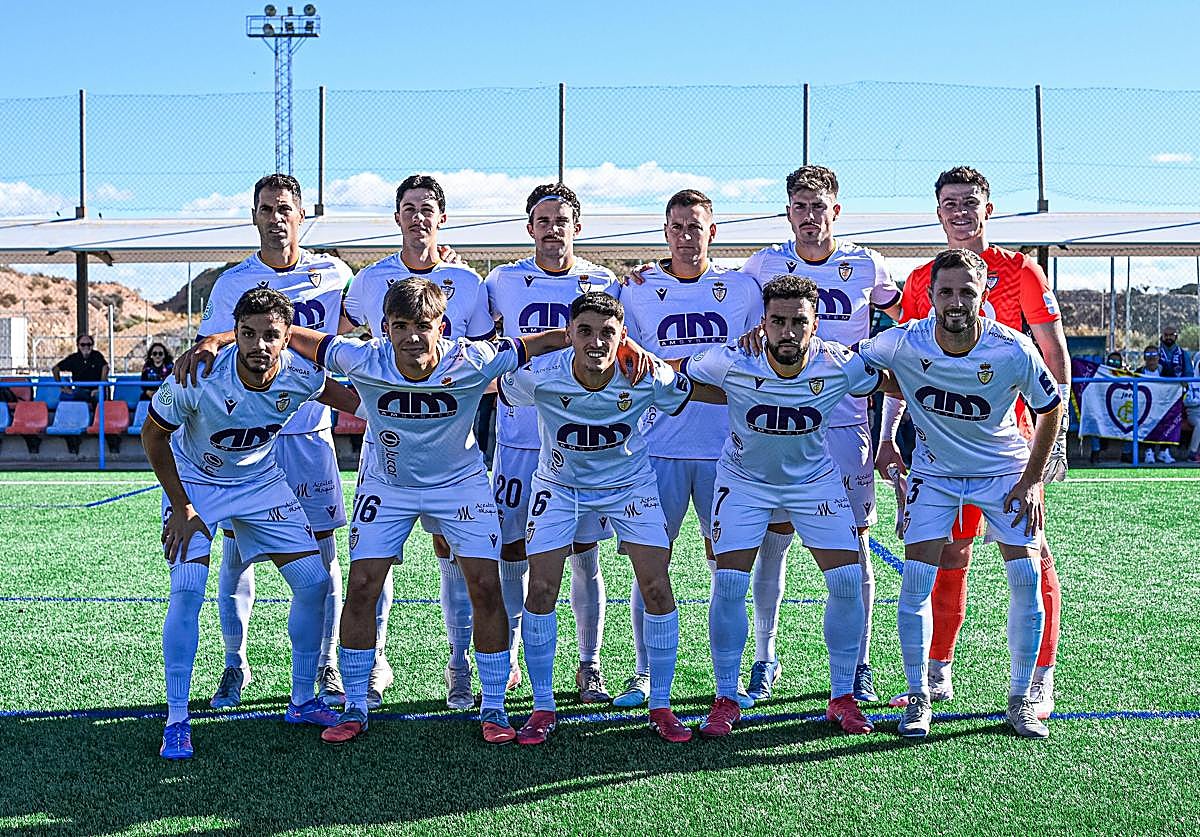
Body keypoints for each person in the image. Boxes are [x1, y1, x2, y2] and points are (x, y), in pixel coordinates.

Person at [141, 288, 360, 759]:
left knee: (314, 581)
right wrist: (182, 507)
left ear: (288, 339)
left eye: (270, 335)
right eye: (247, 334)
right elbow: (153, 435)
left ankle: (302, 699)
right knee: (186, 590)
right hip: (195, 484)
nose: (258, 345)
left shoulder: (304, 374)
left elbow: (360, 402)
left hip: (260, 482)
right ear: (235, 333)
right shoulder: (199, 374)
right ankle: (177, 718)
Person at [889, 166, 1071, 719]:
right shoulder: (923, 279)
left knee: (1031, 564)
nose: (961, 211)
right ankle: (936, 675)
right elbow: (908, 361)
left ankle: (1037, 683)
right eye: (950, 203)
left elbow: (1054, 356)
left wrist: (1053, 446)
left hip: (1011, 447)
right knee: (947, 558)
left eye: (971, 202)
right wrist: (894, 434)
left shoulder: (1022, 272)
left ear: (988, 209)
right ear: (937, 212)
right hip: (942, 445)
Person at [180, 174, 356, 711]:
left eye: (285, 208)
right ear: (253, 217)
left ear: (301, 215)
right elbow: (215, 343)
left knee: (322, 556)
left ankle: (324, 664)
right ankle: (236, 664)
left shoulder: (335, 273)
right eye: (265, 209)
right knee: (236, 555)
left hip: (308, 432)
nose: (275, 217)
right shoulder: (234, 281)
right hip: (250, 442)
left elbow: (356, 328)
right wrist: (213, 338)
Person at [678, 276, 882, 739]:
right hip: (744, 483)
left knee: (849, 579)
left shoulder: (839, 364)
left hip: (813, 482)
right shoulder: (732, 357)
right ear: (763, 322)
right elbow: (676, 376)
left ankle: (843, 695)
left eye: (798, 322)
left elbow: (887, 380)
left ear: (816, 325)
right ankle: (726, 697)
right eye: (777, 321)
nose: (787, 331)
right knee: (729, 583)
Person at [497, 291, 694, 744]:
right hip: (559, 486)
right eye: (584, 331)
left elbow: (688, 393)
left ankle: (661, 705)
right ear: (569, 335)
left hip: (629, 486)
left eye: (608, 332)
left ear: (623, 336)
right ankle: (543, 706)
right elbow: (498, 386)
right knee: (542, 586)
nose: (596, 342)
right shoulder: (542, 376)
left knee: (657, 586)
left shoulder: (646, 374)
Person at [736, 165, 901, 704]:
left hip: (844, 424)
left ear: (837, 210)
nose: (810, 217)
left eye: (819, 206)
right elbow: (716, 297)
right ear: (788, 213)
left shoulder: (866, 264)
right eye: (799, 207)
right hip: (779, 425)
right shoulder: (763, 265)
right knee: (772, 542)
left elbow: (900, 317)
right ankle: (765, 657)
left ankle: (859, 667)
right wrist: (650, 270)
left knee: (854, 548)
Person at [341, 174, 497, 711]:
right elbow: (341, 343)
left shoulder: (468, 281)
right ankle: (371, 671)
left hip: (453, 446)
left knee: (458, 558)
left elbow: (482, 358)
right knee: (370, 568)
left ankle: (461, 667)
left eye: (428, 208)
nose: (419, 217)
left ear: (443, 217)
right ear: (396, 217)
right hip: (388, 453)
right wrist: (368, 401)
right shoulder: (369, 279)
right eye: (409, 208)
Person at [609, 189, 762, 709]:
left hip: (728, 448)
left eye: (695, 226)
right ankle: (645, 673)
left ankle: (730, 677)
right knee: (652, 561)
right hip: (659, 447)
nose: (685, 236)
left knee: (729, 563)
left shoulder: (742, 289)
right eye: (676, 226)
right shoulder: (637, 288)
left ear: (712, 232)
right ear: (664, 232)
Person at [484, 184, 618, 703]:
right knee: (513, 547)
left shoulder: (603, 281)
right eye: (543, 220)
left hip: (581, 443)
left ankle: (589, 665)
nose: (553, 229)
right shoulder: (502, 281)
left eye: (562, 220)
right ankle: (514, 651)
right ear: (529, 228)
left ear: (577, 227)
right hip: (518, 440)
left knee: (585, 553)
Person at [1134, 346, 1174, 464]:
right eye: (1148, 356)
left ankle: (1164, 451)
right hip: (1145, 408)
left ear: (1158, 357)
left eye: (1154, 355)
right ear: (1144, 358)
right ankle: (1149, 451)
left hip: (1163, 407)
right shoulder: (1138, 373)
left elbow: (1174, 387)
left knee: (1169, 419)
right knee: (1145, 420)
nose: (1151, 359)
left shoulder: (1166, 371)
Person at [52, 335, 109, 403]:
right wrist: (62, 387)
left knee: (98, 396)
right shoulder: (74, 358)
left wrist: (100, 388)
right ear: (78, 346)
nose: (86, 347)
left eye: (89, 344)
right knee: (70, 396)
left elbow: (105, 367)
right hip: (80, 390)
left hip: (95, 390)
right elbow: (55, 369)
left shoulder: (97, 356)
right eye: (83, 345)